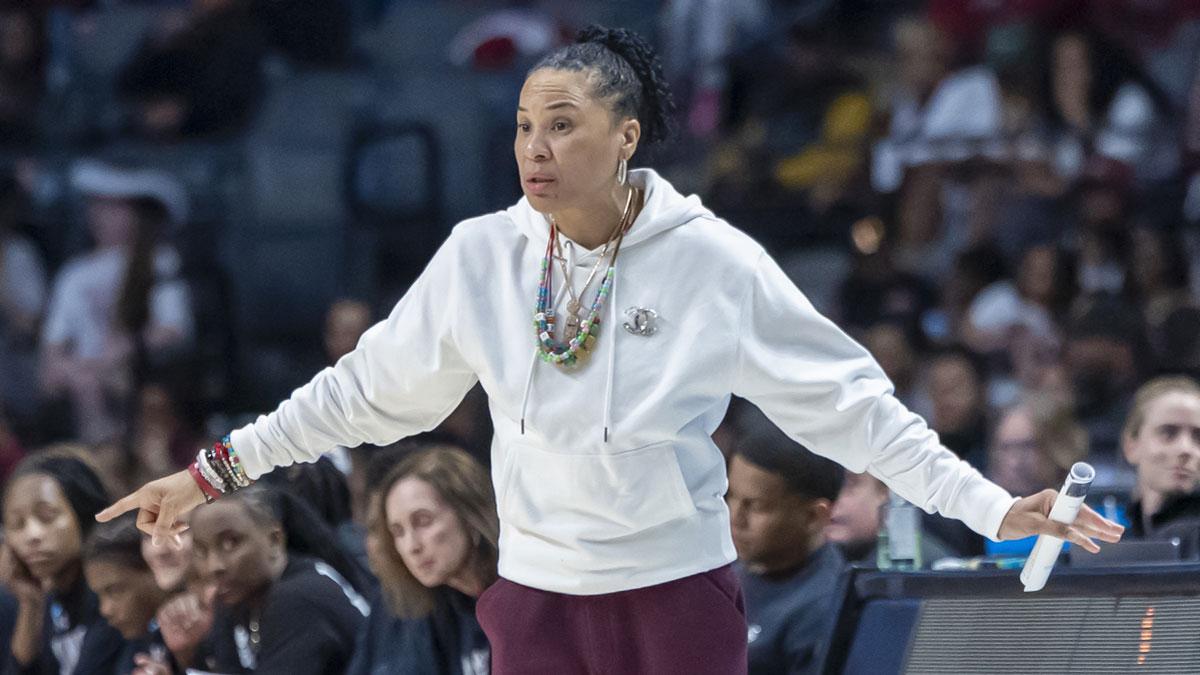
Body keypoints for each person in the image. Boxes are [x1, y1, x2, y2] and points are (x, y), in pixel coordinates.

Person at [101, 26, 1125, 674]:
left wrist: (990, 507)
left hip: (676, 600)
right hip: (537, 601)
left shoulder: (713, 260)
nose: (534, 149)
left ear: (627, 135)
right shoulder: (480, 257)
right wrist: (211, 471)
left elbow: (848, 404)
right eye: (521, 127)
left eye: (562, 124)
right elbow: (366, 397)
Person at [40, 161, 193, 443]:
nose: (101, 217)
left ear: (138, 214)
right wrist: (71, 370)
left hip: (139, 376)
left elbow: (173, 329)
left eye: (114, 208)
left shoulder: (160, 261)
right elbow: (54, 346)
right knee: (85, 384)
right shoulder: (74, 274)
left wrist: (126, 350)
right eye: (97, 207)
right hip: (84, 381)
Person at [180, 485, 369, 674]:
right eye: (201, 550)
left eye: (231, 543)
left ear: (274, 539)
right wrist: (184, 653)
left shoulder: (299, 598)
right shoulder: (236, 602)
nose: (214, 566)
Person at [350, 444, 495, 675]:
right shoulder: (436, 604)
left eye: (423, 521)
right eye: (398, 532)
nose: (412, 546)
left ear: (470, 516)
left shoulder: (525, 595)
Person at [727, 420, 847, 675]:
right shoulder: (724, 573)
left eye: (757, 506)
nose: (735, 517)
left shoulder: (826, 608)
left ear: (814, 517)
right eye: (730, 496)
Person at [1, 453, 126, 674]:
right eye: (17, 524)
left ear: (85, 515)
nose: (32, 535)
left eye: (47, 516)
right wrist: (31, 605)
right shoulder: (46, 601)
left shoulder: (113, 594)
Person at [82, 515, 173, 675]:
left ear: (152, 569)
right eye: (99, 596)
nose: (105, 610)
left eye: (115, 591)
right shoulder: (136, 640)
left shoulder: (198, 629)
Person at [1121, 376, 1200, 558]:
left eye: (1198, 437)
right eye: (1168, 432)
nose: (1185, 449)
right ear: (1131, 446)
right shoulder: (1118, 538)